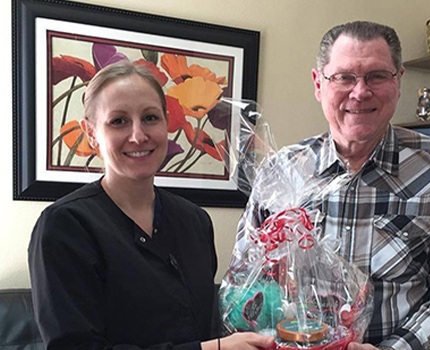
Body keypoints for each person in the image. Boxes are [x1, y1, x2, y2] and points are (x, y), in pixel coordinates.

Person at [237, 21, 430, 350]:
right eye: (344, 77)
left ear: (398, 82)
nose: (360, 92)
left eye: (377, 76)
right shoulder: (280, 171)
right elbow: (243, 278)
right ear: (318, 84)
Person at [28, 60, 274, 350]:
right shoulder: (66, 226)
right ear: (91, 133)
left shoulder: (194, 221)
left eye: (150, 118)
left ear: (167, 122)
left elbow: (207, 325)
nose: (138, 135)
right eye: (118, 121)